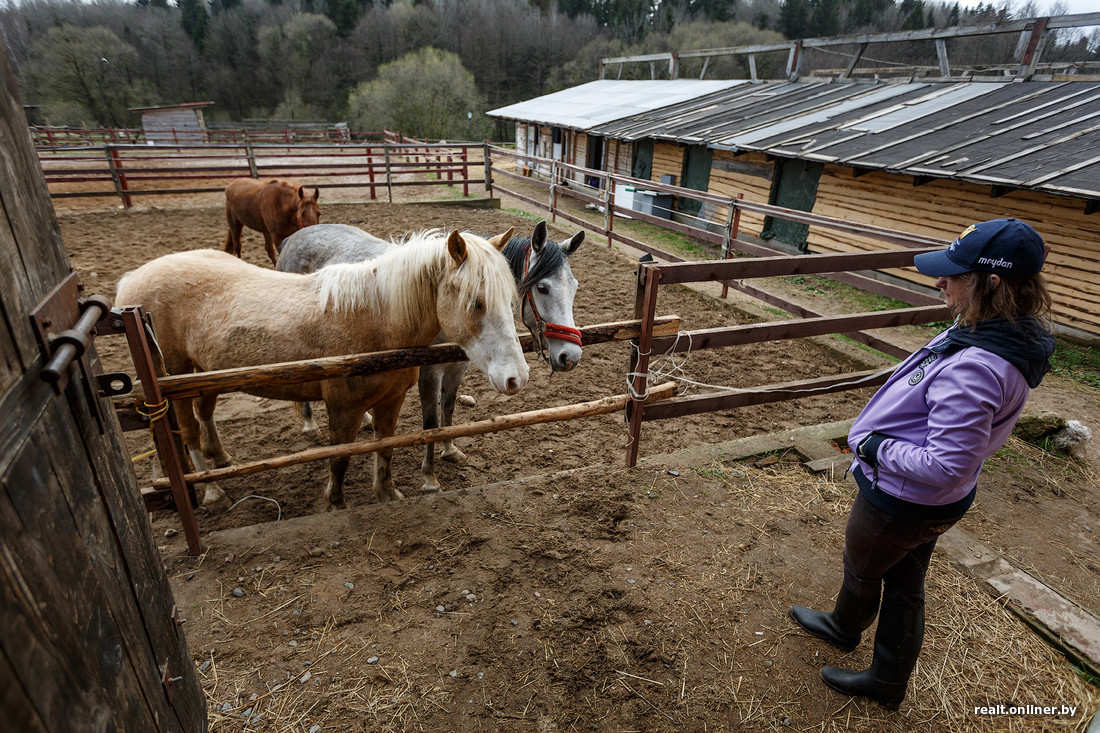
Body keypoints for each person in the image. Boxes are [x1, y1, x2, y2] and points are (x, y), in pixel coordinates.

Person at [790, 218, 1056, 709]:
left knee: (866, 569)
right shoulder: (995, 330)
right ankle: (857, 642)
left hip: (903, 496)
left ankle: (859, 645)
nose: (940, 281)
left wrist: (873, 449)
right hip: (927, 501)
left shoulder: (977, 367)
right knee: (906, 575)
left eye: (953, 274)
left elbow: (946, 464)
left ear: (991, 282)